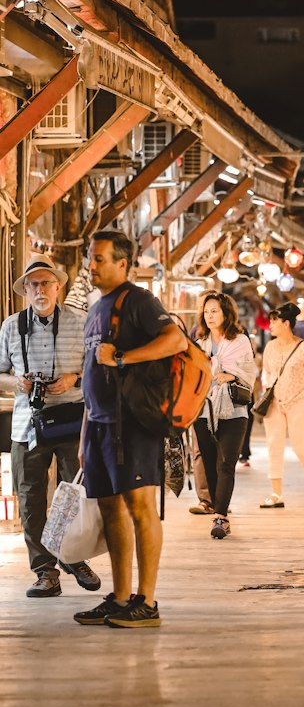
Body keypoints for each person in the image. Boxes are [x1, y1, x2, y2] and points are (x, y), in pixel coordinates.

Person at [74, 231, 187, 630]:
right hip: (101, 425)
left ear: (122, 264)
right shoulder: (96, 308)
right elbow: (91, 374)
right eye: (91, 258)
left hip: (134, 425)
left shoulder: (138, 300)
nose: (92, 265)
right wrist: (86, 436)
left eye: (100, 259)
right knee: (110, 509)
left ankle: (147, 601)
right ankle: (121, 598)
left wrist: (123, 357)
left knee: (140, 509)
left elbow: (175, 339)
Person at [0, 253, 100, 598]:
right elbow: (0, 373)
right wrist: (18, 383)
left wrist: (74, 378)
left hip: (72, 421)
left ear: (58, 287)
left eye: (46, 283)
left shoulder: (82, 322)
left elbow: (99, 371)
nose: (40, 289)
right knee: (29, 498)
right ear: (25, 290)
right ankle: (44, 570)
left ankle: (74, 557)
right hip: (27, 425)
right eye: (34, 284)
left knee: (76, 494)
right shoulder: (11, 326)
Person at [191, 291, 258, 539]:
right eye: (206, 311)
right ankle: (219, 506)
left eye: (214, 311)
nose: (209, 316)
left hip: (234, 411)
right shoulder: (199, 344)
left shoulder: (240, 341)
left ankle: (221, 517)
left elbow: (250, 371)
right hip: (203, 411)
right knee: (209, 464)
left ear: (226, 313)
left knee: (227, 464)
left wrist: (230, 374)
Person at [258, 301, 304, 509]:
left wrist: (298, 393)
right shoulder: (270, 347)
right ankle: (276, 493)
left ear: (286, 323)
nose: (270, 326)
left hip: (300, 403)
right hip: (274, 404)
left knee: (300, 447)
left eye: (274, 322)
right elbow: (267, 372)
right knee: (274, 447)